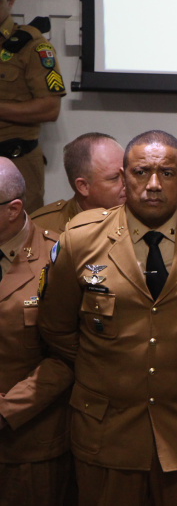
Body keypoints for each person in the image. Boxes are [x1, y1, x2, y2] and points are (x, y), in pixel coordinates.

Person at [38, 131, 177, 506]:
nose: (153, 185)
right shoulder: (81, 239)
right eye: (141, 172)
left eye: (167, 173)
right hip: (108, 432)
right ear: (124, 177)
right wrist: (108, 366)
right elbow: (57, 327)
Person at [0, 159, 72, 506]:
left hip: (28, 442)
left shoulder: (57, 259)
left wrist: (5, 411)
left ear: (13, 209)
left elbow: (67, 358)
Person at [0, 0, 66, 213]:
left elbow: (50, 108)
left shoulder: (34, 45)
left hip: (17, 163)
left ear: (12, 0)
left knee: (23, 241)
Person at [31, 132, 126, 233]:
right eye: (115, 178)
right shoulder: (40, 229)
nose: (128, 182)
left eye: (129, 173)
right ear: (83, 186)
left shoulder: (142, 217)